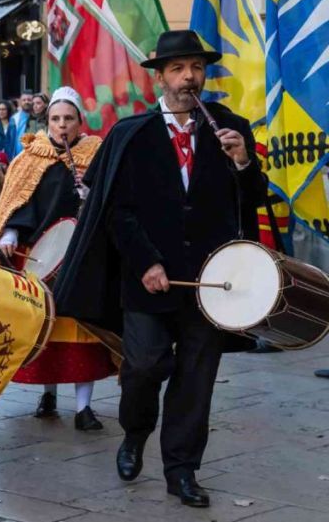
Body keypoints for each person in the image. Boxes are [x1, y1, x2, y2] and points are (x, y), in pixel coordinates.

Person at [53, 30, 266, 508]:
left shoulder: (231, 128)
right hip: (147, 277)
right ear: (161, 79)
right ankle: (135, 433)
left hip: (213, 281)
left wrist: (243, 163)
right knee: (145, 364)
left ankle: (182, 469)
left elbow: (252, 201)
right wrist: (146, 261)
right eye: (177, 68)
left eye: (195, 67)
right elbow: (117, 210)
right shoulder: (134, 134)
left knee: (196, 377)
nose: (188, 76)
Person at [0, 87, 115, 430]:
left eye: (68, 119)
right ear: (47, 122)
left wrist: (90, 194)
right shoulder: (30, 157)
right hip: (39, 258)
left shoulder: (98, 154)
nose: (62, 126)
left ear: (80, 122)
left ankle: (83, 408)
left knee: (80, 333)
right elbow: (18, 202)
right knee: (44, 330)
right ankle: (48, 394)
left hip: (82, 256)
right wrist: (11, 233)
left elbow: (113, 202)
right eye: (56, 119)